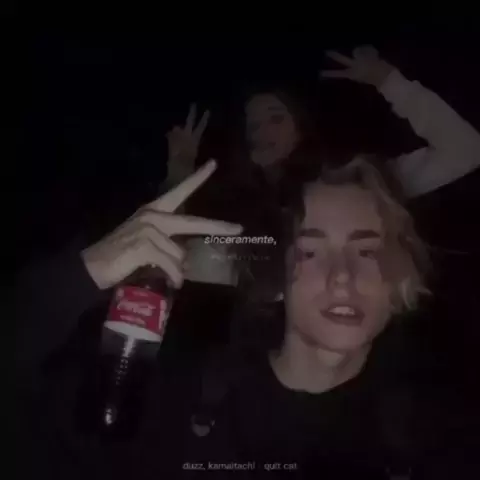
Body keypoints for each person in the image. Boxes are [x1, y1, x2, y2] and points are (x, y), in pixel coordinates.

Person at [19, 152, 466, 479]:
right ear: (279, 278)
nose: (342, 277)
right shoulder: (175, 399)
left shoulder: (440, 435)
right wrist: (83, 273)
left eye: (366, 251)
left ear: (400, 276)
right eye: (310, 251)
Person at [164, 45, 480, 286]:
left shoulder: (354, 183)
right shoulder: (254, 235)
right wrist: (179, 170)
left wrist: (389, 81)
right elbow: (178, 258)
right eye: (253, 125)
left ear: (300, 129)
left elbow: (464, 150)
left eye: (275, 118)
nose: (261, 132)